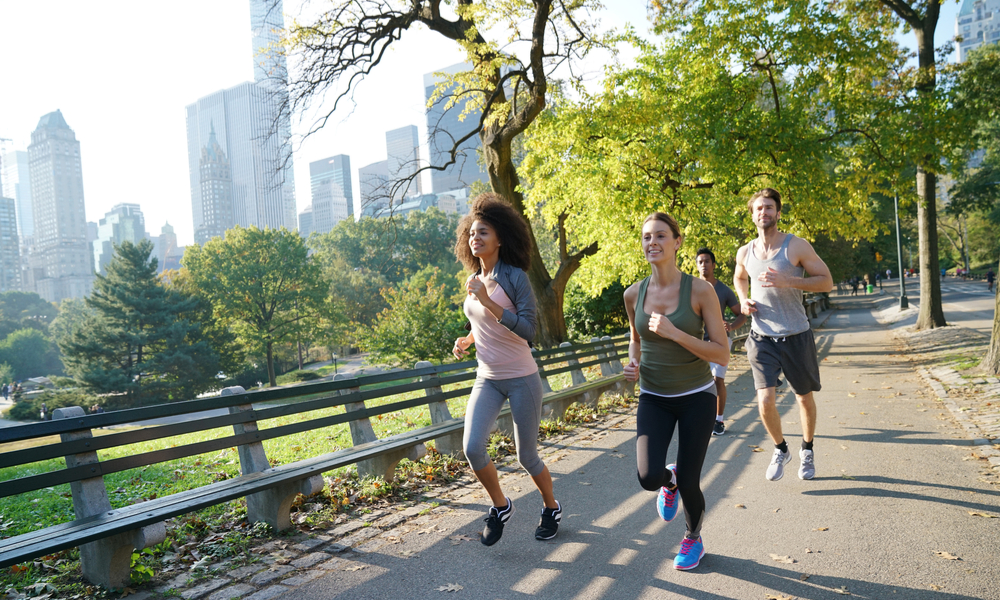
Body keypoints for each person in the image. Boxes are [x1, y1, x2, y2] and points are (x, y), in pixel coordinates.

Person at [451, 193, 562, 546]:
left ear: (500, 238)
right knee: (472, 448)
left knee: (526, 456)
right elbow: (482, 320)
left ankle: (551, 506)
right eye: (472, 233)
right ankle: (500, 505)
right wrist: (468, 339)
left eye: (483, 232)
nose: (476, 238)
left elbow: (530, 330)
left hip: (521, 378)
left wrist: (487, 301)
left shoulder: (514, 277)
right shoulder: (474, 277)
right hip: (487, 377)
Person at [623, 213, 730, 571]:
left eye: (661, 236)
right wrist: (632, 363)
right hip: (653, 396)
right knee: (648, 476)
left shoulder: (700, 291)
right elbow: (635, 339)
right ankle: (668, 481)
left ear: (677, 242)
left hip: (697, 395)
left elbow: (721, 352)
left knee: (691, 480)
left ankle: (693, 538)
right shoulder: (633, 294)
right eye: (646, 237)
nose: (652, 242)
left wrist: (676, 333)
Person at [734, 188, 833, 482]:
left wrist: (789, 280)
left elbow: (826, 281)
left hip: (795, 335)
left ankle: (807, 449)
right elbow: (740, 276)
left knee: (803, 398)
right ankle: (780, 448)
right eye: (758, 208)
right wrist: (743, 299)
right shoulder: (745, 251)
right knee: (765, 401)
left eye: (769, 208)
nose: (763, 212)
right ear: (752, 215)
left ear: (778, 213)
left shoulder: (796, 247)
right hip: (761, 336)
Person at [695, 248, 747, 436]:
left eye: (707, 261)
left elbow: (742, 314)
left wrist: (732, 326)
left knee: (717, 380)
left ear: (713, 264)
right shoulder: (690, 288)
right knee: (697, 382)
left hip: (719, 341)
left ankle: (718, 420)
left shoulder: (724, 290)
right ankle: (700, 419)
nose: (704, 265)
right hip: (697, 342)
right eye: (700, 262)